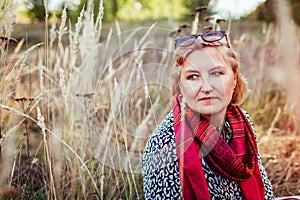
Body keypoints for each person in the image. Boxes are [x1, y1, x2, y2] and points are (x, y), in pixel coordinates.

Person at [142, 30, 274, 199]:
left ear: (234, 80)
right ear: (181, 86)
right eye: (193, 76)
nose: (206, 87)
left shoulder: (243, 124)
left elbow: (266, 192)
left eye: (216, 73)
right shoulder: (163, 146)